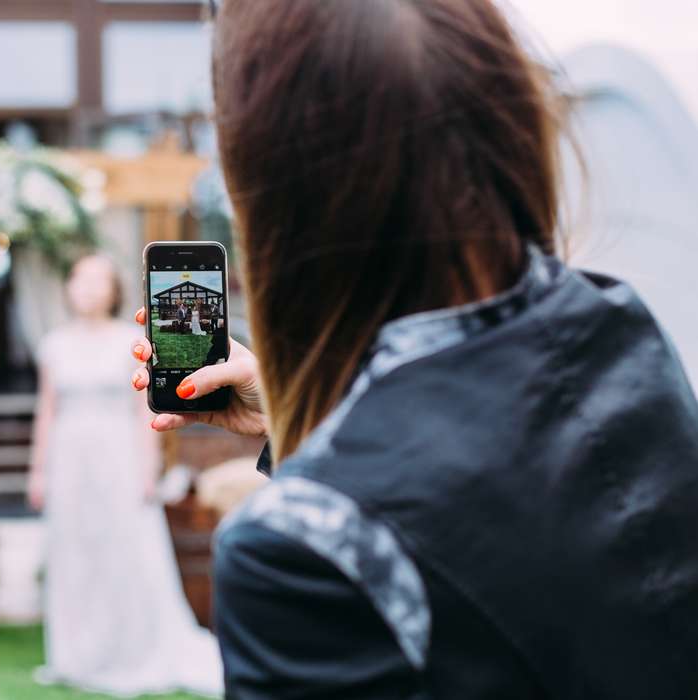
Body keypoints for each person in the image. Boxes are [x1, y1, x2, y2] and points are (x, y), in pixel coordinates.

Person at [129, 0, 698, 697]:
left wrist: (328, 463)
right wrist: (302, 422)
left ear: (285, 199)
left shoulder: (299, 553)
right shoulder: (623, 331)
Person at [28, 255, 223, 698]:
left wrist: (147, 469)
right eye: (81, 279)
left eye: (100, 281)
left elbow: (144, 410)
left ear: (114, 290)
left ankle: (131, 650)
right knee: (75, 552)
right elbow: (47, 412)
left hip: (118, 455)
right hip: (70, 456)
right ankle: (74, 654)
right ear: (69, 288)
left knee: (124, 547)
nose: (90, 289)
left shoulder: (130, 342)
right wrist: (38, 471)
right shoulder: (54, 345)